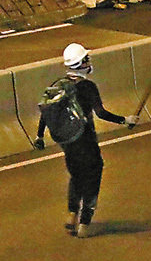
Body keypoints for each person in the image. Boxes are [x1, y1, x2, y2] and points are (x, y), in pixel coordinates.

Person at [34, 43, 139, 238]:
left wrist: (39, 136)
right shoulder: (88, 87)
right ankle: (84, 222)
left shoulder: (59, 85)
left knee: (76, 176)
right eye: (87, 59)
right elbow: (100, 113)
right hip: (86, 141)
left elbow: (45, 112)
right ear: (82, 63)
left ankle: (72, 213)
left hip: (68, 144)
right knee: (93, 175)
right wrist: (125, 120)